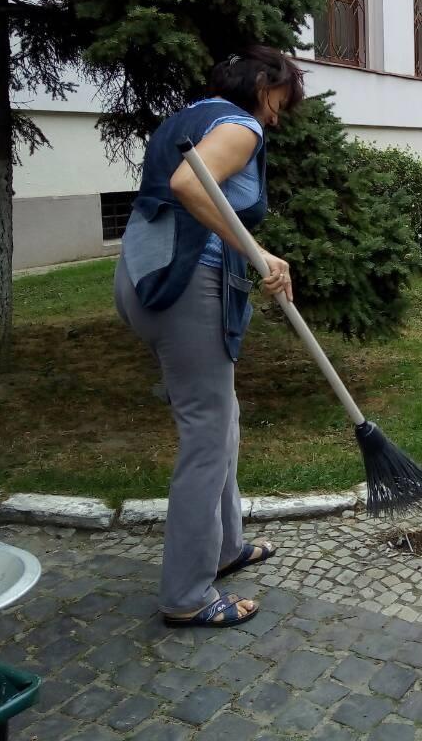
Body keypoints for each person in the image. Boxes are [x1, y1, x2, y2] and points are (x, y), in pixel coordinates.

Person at [113, 46, 301, 628]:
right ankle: (188, 596)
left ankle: (225, 547)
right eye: (280, 102)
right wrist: (259, 251)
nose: (277, 117)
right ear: (263, 84)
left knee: (221, 419)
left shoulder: (188, 115)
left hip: (142, 275)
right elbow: (189, 187)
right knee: (205, 437)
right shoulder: (239, 126)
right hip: (183, 286)